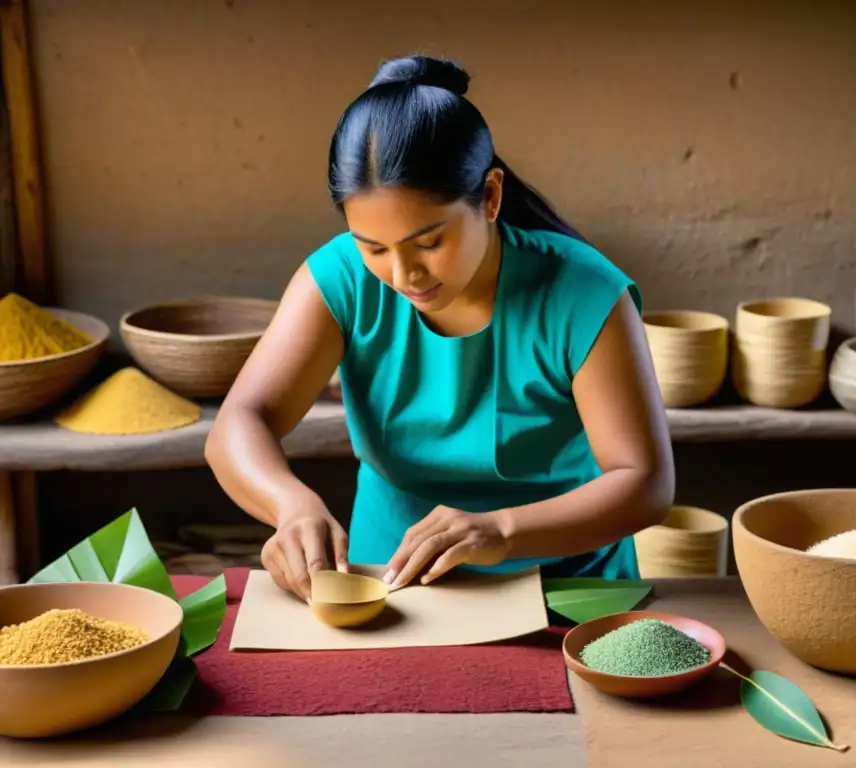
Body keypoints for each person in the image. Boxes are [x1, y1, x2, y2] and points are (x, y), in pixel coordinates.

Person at [204, 54, 674, 603]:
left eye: (429, 242)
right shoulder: (340, 279)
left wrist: (501, 530)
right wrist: (291, 506)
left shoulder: (585, 292)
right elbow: (239, 421)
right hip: (393, 582)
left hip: (568, 587)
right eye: (373, 247)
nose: (403, 275)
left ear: (490, 197)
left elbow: (644, 483)